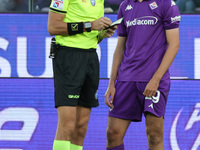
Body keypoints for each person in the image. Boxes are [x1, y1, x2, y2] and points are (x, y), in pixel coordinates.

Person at [104, 0, 181, 149]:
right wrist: (112, 83)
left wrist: (156, 79)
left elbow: (174, 45)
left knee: (154, 135)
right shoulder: (124, 6)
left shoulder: (166, 4)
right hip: (126, 80)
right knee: (113, 133)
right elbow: (120, 48)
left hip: (154, 80)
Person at [47, 0, 117, 150]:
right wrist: (90, 25)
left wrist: (103, 33)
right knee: (68, 124)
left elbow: (93, 35)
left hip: (91, 57)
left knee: (81, 126)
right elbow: (53, 27)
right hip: (68, 56)